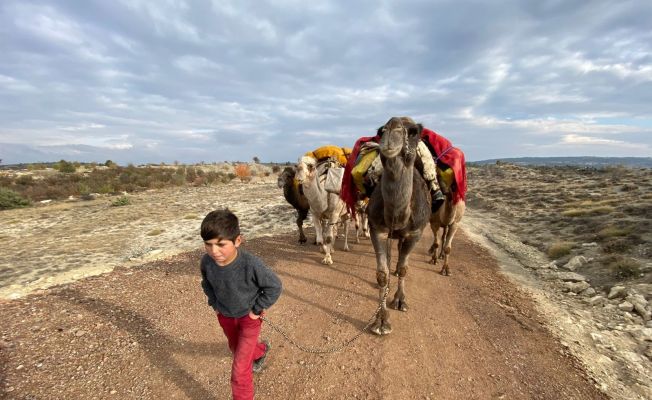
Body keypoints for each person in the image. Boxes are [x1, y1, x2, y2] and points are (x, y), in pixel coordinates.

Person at [200, 209, 282, 400]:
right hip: (225, 317)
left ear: (238, 241)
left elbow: (274, 286)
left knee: (239, 369)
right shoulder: (207, 262)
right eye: (208, 245)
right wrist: (215, 304)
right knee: (236, 347)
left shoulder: (250, 264)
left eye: (221, 244)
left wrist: (256, 310)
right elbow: (206, 283)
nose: (214, 251)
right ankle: (260, 351)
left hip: (249, 319)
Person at [341, 116, 456, 215]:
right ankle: (369, 191)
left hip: (411, 144)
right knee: (376, 167)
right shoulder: (390, 133)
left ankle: (434, 187)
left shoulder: (414, 135)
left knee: (427, 161)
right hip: (393, 145)